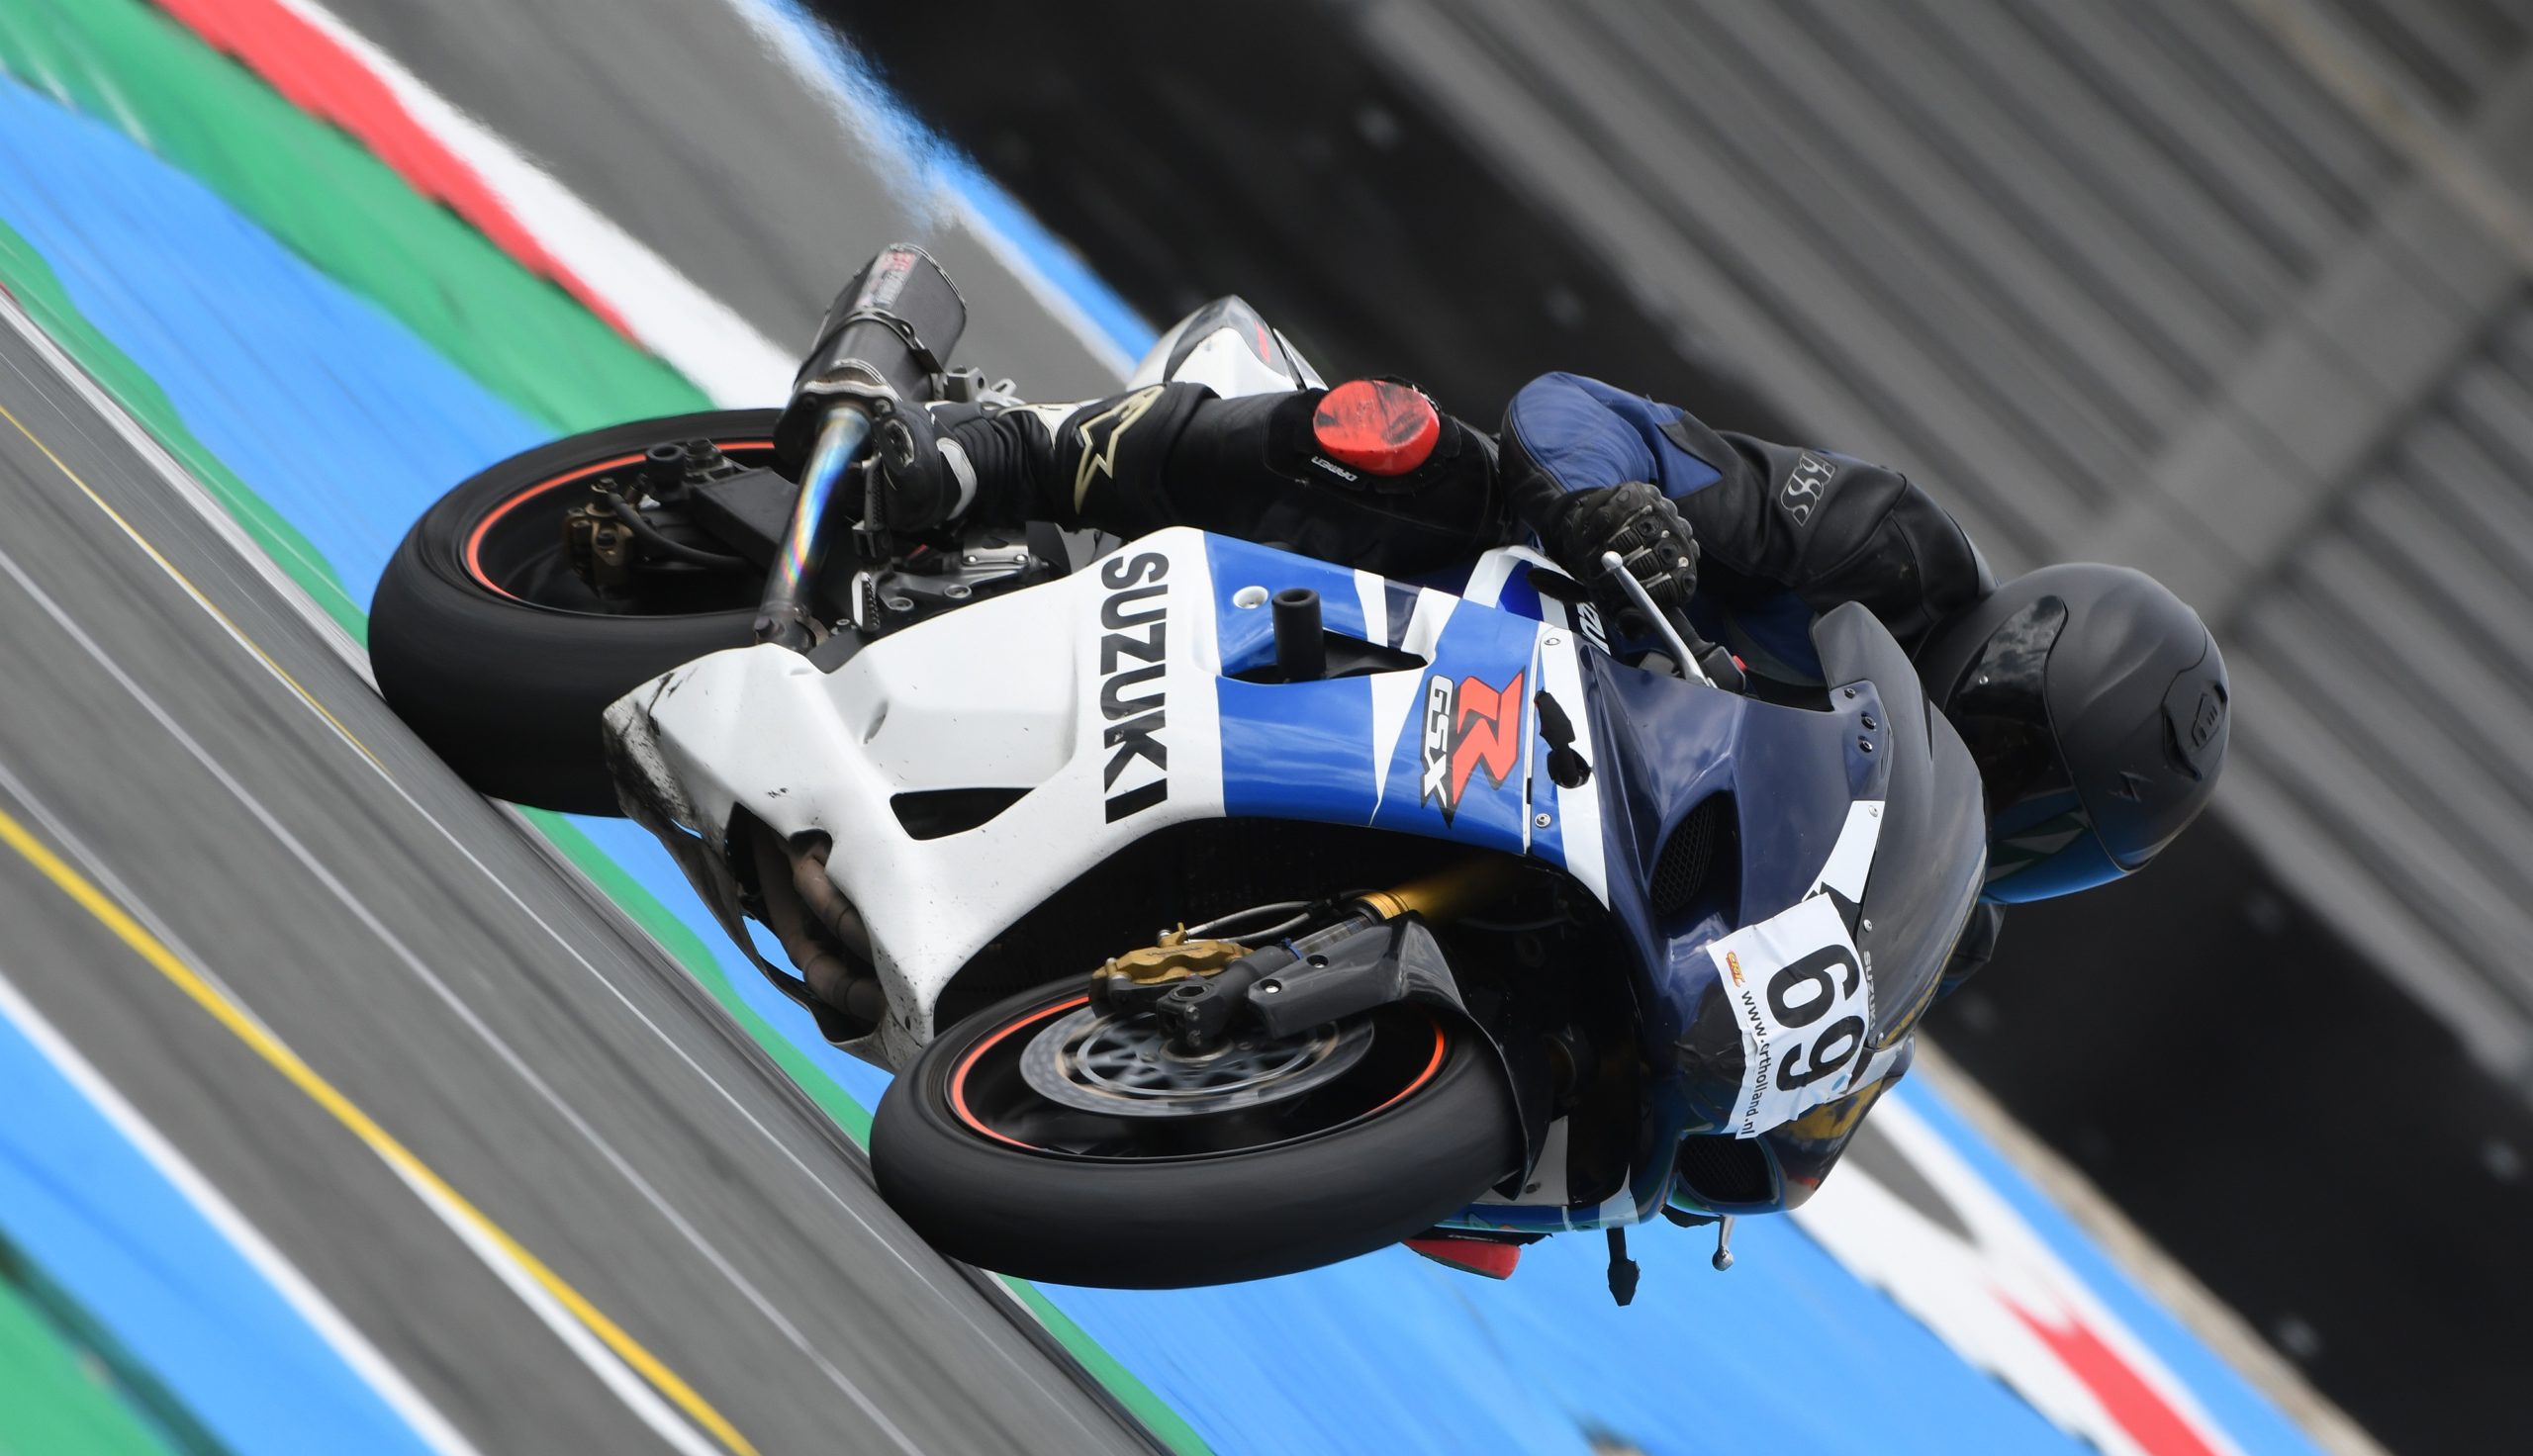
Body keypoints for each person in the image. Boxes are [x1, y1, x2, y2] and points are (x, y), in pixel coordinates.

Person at [842, 362, 2229, 930]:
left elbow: (1790, 1120)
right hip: (1493, 624)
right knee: (1404, 445)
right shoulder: (1888, 549)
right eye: (2015, 764)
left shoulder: (1929, 907)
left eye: (2044, 834)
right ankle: (1006, 454)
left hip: (1567, 843)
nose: (2002, 813)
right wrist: (1612, 509)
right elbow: (1584, 411)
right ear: (2001, 658)